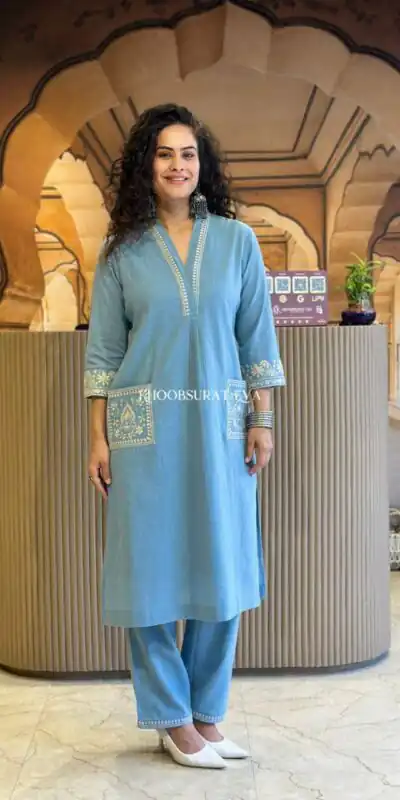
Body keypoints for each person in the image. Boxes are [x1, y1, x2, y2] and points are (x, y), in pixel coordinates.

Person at [84, 103, 285, 769]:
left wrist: (261, 419)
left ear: (204, 165)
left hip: (221, 431)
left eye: (189, 154)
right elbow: (104, 354)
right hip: (142, 434)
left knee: (221, 566)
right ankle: (171, 717)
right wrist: (98, 438)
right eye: (165, 153)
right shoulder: (121, 251)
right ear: (147, 165)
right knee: (147, 573)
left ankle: (206, 711)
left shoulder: (237, 241)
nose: (178, 165)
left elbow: (256, 337)